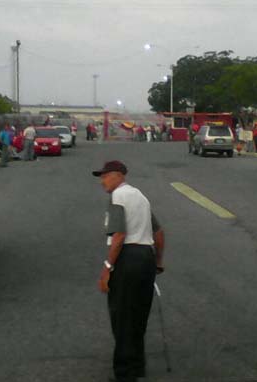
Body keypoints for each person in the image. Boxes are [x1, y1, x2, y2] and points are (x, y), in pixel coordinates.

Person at [93, 161, 165, 382]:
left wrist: (107, 269)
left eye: (105, 176)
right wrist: (158, 262)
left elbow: (119, 236)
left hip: (128, 258)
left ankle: (125, 374)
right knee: (138, 316)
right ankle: (137, 366)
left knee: (122, 317)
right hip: (146, 258)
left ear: (117, 176)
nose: (102, 181)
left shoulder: (118, 197)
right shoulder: (141, 197)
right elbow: (159, 233)